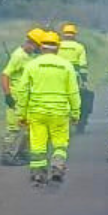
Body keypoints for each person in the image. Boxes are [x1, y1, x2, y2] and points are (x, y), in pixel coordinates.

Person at [16, 30, 81, 185]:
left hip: (37, 112)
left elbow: (22, 91)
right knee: (60, 144)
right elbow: (73, 92)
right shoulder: (66, 66)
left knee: (38, 145)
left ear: (41, 47)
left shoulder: (32, 65)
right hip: (59, 112)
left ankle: (38, 175)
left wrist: (22, 114)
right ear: (57, 48)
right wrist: (76, 113)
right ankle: (57, 168)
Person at [0, 29, 46, 165]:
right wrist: (8, 95)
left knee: (30, 127)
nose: (38, 50)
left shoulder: (30, 55)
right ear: (31, 43)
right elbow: (5, 75)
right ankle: (6, 156)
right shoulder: (18, 56)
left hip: (27, 99)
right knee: (13, 128)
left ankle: (22, 153)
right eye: (38, 47)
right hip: (15, 99)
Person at [57, 22, 91, 132]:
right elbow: (83, 66)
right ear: (74, 34)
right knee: (77, 98)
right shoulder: (79, 47)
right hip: (74, 77)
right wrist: (84, 80)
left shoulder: (58, 45)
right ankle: (79, 121)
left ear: (64, 34)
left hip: (58, 76)